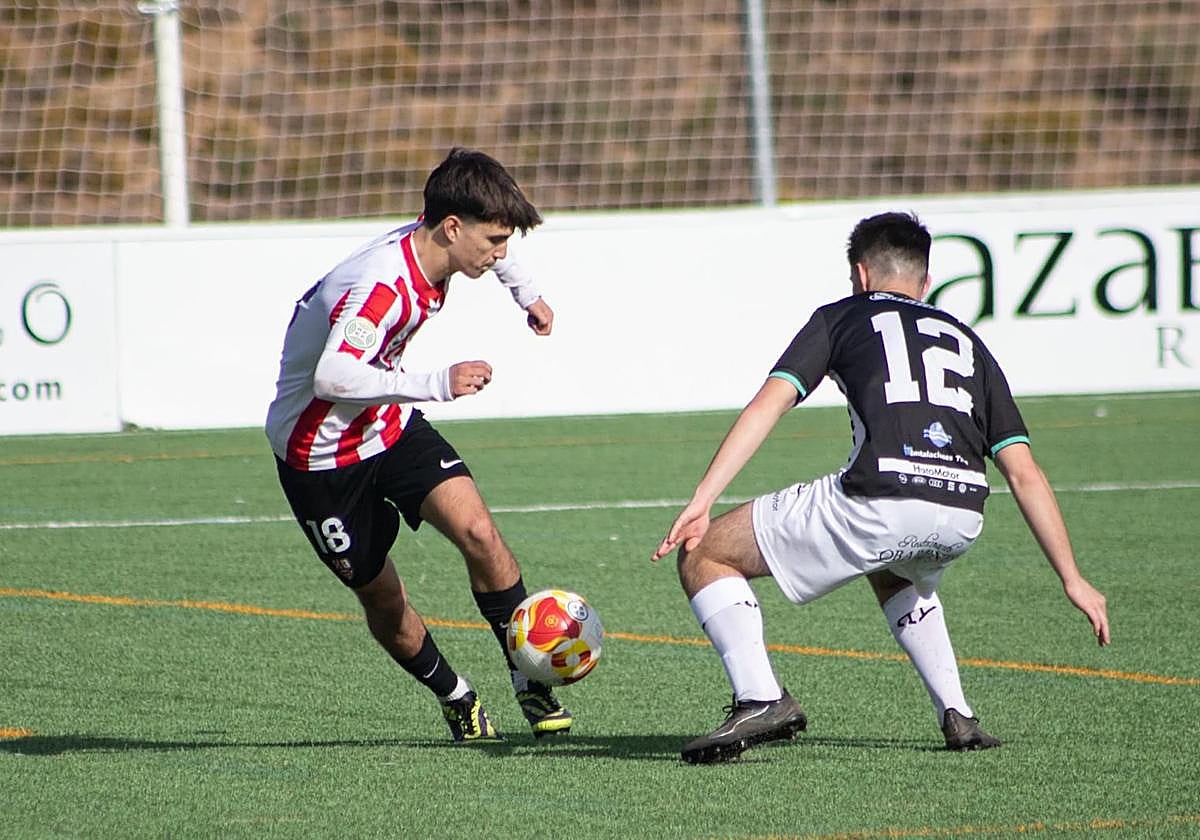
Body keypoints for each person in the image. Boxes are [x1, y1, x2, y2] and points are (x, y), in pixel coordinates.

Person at [652, 211, 1110, 764]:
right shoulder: (968, 340)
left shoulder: (840, 317)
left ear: (861, 274)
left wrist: (702, 499)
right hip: (963, 514)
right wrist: (1073, 578)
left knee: (706, 553)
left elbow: (769, 403)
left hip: (882, 500)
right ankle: (958, 715)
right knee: (894, 568)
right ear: (926, 283)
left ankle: (761, 698)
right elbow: (1023, 471)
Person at [266, 148, 570, 743]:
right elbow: (333, 377)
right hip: (319, 457)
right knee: (383, 598)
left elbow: (492, 253)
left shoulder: (440, 245)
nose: (500, 252)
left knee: (480, 533)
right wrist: (437, 384)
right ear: (452, 228)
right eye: (494, 240)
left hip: (386, 424)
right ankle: (455, 695)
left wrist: (525, 292)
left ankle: (527, 673)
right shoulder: (380, 287)